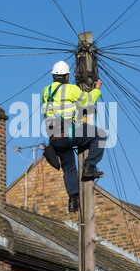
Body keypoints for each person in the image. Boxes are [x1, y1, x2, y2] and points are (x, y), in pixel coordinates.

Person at [42, 61, 106, 212]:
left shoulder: (45, 91)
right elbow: (88, 101)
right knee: (100, 135)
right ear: (66, 76)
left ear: (53, 76)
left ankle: (73, 200)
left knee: (69, 167)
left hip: (54, 139)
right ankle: (89, 166)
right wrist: (96, 89)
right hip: (69, 134)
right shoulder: (70, 89)